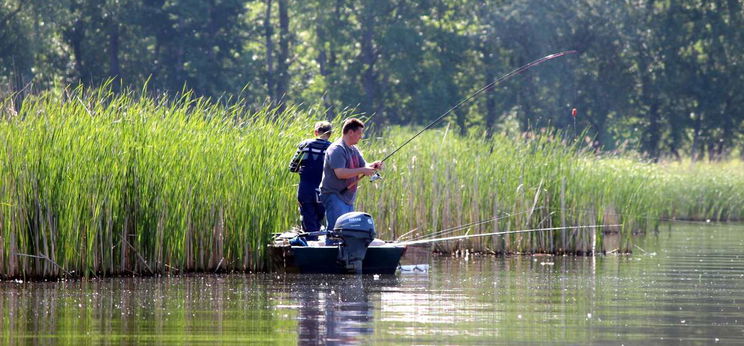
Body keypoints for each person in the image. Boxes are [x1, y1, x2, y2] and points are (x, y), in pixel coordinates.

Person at [319, 118, 382, 235]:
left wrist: (373, 166)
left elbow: (364, 165)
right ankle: (331, 251)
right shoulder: (337, 149)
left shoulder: (353, 149)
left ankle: (344, 253)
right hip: (334, 194)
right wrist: (363, 170)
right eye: (359, 133)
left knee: (346, 232)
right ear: (350, 132)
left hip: (347, 198)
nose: (361, 136)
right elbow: (340, 173)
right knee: (336, 232)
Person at [289, 121, 333, 239]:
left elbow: (293, 167)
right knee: (318, 220)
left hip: (306, 188)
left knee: (308, 221)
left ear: (315, 132)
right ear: (330, 134)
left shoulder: (305, 145)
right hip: (323, 190)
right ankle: (317, 245)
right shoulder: (332, 148)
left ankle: (310, 247)